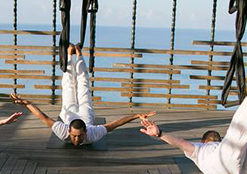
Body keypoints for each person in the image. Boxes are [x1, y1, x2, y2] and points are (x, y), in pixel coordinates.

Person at [11, 44, 155, 146]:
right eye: (74, 136)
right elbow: (115, 124)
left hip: (71, 113)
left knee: (68, 85)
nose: (76, 139)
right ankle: (78, 55)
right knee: (83, 84)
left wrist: (27, 103)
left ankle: (70, 54)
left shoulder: (88, 133)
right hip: (84, 113)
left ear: (86, 132)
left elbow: (41, 116)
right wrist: (136, 115)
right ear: (69, 131)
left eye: (79, 136)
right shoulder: (85, 134)